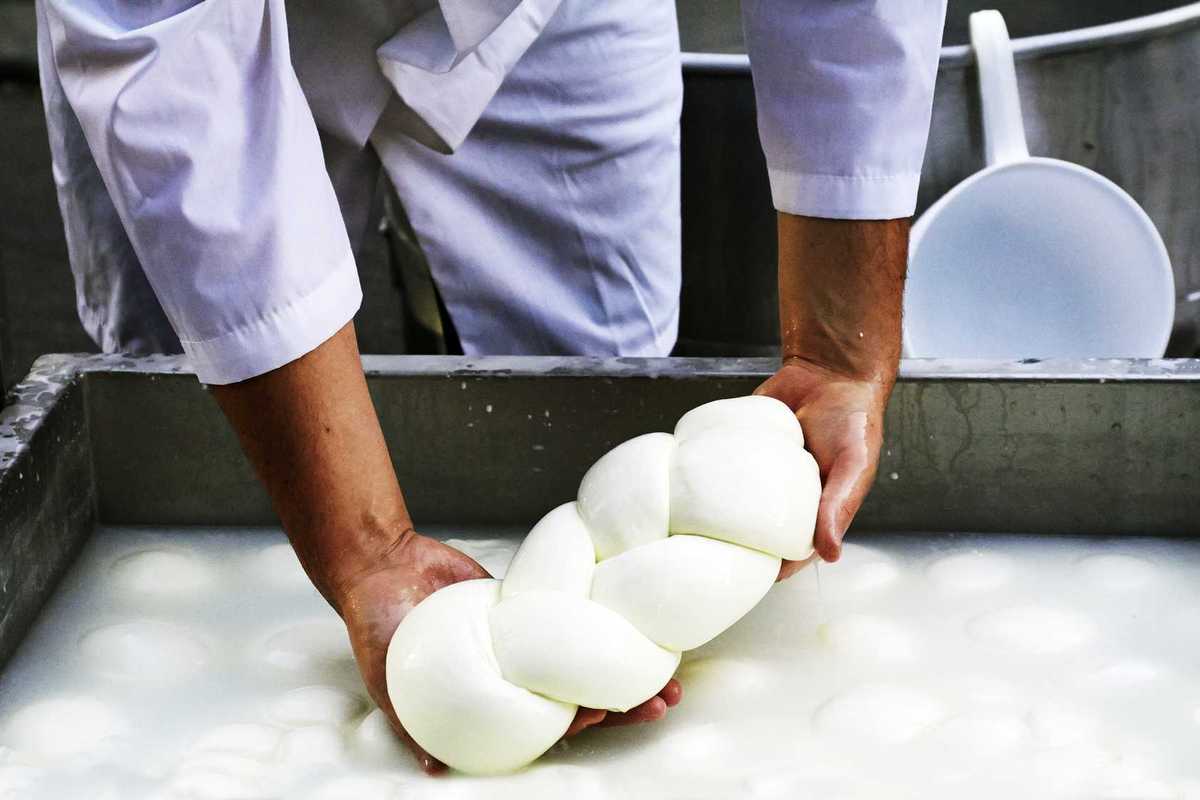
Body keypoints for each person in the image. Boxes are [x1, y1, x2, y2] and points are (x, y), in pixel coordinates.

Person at [35, 0, 946, 772]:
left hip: (538, 16)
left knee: (595, 384)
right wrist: (363, 550)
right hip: (190, 34)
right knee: (192, 419)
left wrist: (839, 349)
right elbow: (161, 50)